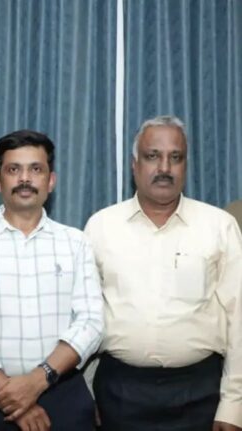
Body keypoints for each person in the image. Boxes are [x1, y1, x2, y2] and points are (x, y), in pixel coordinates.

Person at [85, 115, 242, 431]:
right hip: (119, 394)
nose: (165, 168)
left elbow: (238, 317)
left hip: (201, 393)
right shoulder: (101, 227)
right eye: (152, 156)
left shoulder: (219, 226)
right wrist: (88, 394)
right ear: (135, 165)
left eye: (176, 157)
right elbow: (85, 316)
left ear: (186, 165)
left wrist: (233, 406)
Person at [0, 129, 104, 431]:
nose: (25, 179)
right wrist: (14, 396)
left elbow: (91, 323)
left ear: (51, 180)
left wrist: (36, 381)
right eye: (13, 170)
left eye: (36, 169)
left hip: (63, 396)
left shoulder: (76, 243)